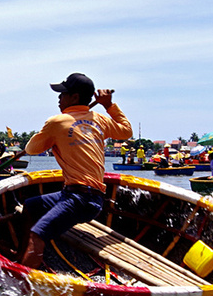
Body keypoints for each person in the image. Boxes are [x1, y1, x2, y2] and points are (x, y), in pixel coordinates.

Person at [17, 72, 133, 269]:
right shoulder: (99, 119)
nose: (59, 98)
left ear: (75, 98)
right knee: (30, 206)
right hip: (88, 197)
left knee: (38, 234)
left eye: (63, 94)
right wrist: (109, 105)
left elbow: (31, 149)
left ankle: (22, 281)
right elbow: (126, 130)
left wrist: (48, 134)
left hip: (80, 198)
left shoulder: (58, 122)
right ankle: (23, 255)